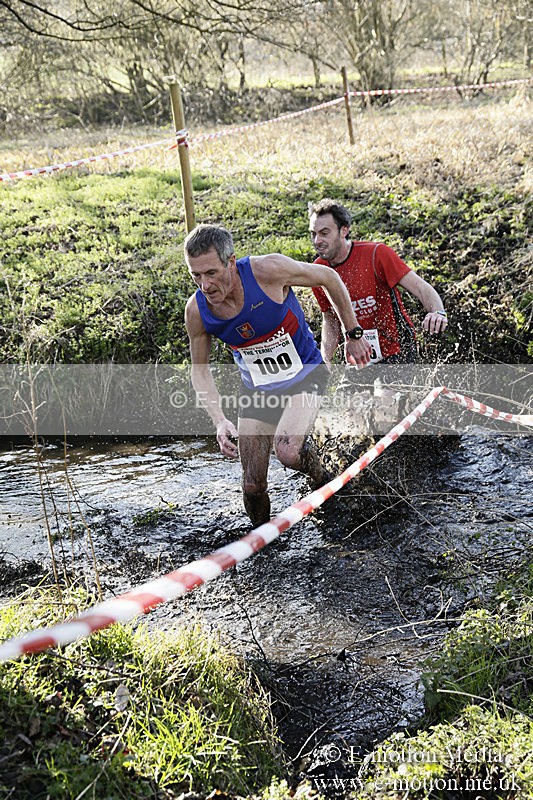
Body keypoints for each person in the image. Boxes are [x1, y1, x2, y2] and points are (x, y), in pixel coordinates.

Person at [184, 223, 372, 526]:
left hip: (306, 375)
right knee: (252, 485)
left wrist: (352, 332)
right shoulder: (197, 310)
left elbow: (329, 278)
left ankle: (326, 481)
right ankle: (261, 546)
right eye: (196, 275)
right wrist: (219, 420)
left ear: (230, 262)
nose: (204, 285)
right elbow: (200, 372)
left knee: (286, 451)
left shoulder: (267, 271)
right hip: (259, 391)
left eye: (211, 273)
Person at [308, 198, 448, 365]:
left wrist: (437, 312)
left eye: (324, 233)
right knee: (349, 393)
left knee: (384, 393)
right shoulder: (318, 271)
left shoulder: (376, 254)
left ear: (343, 230)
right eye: (313, 234)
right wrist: (326, 362)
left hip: (397, 348)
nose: (317, 241)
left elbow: (420, 287)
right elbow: (330, 319)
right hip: (359, 353)